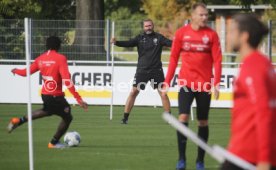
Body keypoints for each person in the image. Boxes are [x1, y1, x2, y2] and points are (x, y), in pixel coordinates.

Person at [163, 3, 222, 170]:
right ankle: (181, 159)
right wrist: (167, 82)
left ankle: (200, 161)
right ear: (193, 15)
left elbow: (217, 60)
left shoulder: (211, 35)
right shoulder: (182, 33)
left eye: (206, 15)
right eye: (202, 14)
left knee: (203, 122)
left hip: (204, 86)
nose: (205, 17)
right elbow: (173, 58)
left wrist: (216, 83)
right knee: (183, 118)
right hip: (186, 84)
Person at [7, 36, 88, 149]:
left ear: (47, 45)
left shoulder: (41, 58)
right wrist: (78, 98)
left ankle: (19, 121)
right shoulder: (61, 58)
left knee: (47, 111)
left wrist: (15, 70)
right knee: (67, 117)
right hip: (56, 95)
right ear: (59, 46)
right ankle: (53, 143)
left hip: (45, 94)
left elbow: (26, 73)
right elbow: (67, 80)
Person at [221, 14, 276, 170]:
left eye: (232, 31)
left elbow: (264, 111)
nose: (228, 35)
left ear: (244, 36)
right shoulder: (263, 62)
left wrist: (264, 159)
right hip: (244, 151)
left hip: (248, 154)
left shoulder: (253, 66)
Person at [110, 19, 172, 124]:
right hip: (142, 71)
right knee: (134, 92)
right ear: (143, 27)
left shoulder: (159, 37)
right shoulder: (139, 38)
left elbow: (171, 43)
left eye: (150, 25)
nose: (148, 27)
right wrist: (116, 43)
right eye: (146, 26)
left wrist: (180, 42)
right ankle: (125, 118)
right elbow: (128, 43)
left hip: (156, 70)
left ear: (153, 26)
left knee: (163, 94)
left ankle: (170, 119)